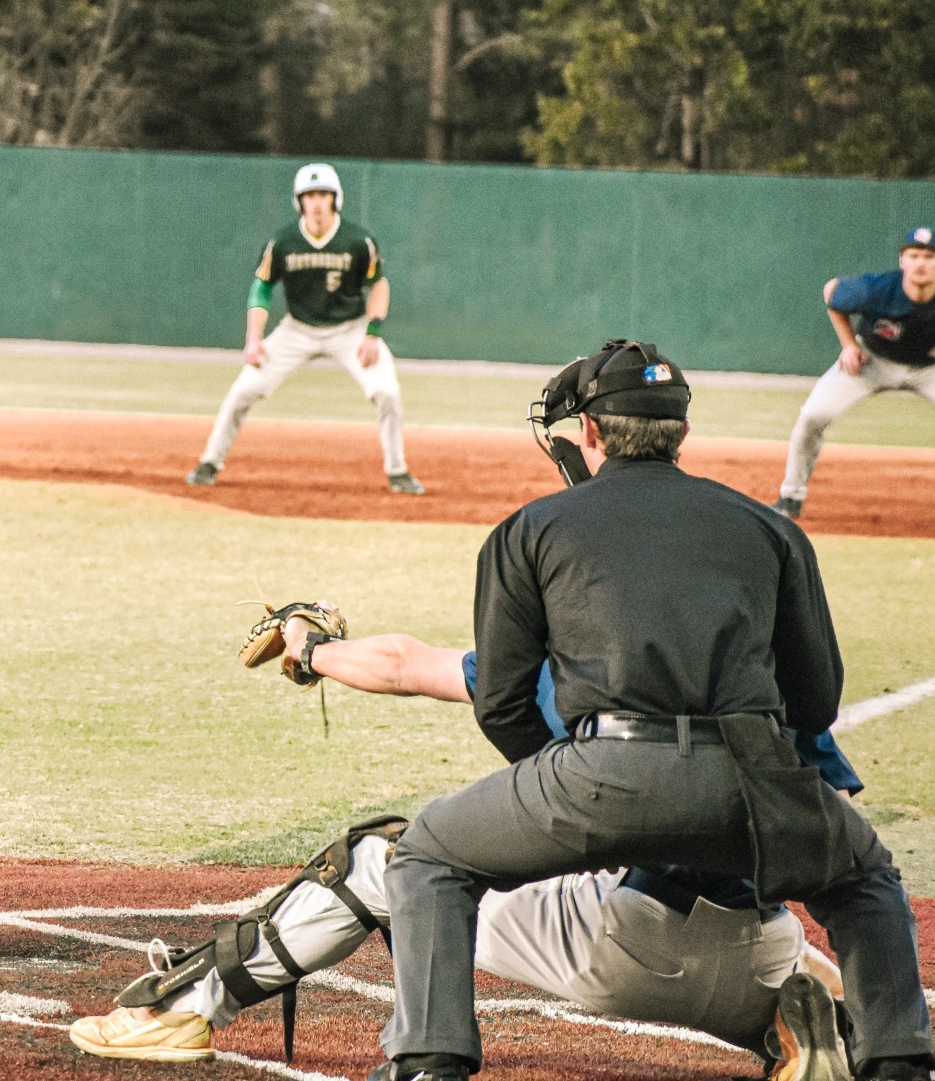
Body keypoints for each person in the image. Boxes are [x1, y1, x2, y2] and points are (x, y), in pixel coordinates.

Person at [371, 341, 931, 1081]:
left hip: (599, 774)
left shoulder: (531, 529)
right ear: (683, 432)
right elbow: (817, 700)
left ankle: (429, 1064)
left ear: (592, 434)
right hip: (754, 783)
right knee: (864, 878)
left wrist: (573, 791)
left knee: (427, 855)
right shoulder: (770, 528)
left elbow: (504, 702)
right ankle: (898, 1064)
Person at [69, 619, 860, 1080]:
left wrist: (313, 649)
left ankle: (177, 1009)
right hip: (756, 941)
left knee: (383, 857)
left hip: (624, 943)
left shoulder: (591, 667)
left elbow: (406, 664)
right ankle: (806, 1028)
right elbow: (838, 838)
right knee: (798, 961)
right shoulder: (777, 680)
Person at [186, 163, 423, 495]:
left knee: (387, 392)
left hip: (350, 329)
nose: (316, 202)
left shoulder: (357, 240)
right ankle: (209, 462)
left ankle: (397, 471)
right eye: (309, 195)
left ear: (335, 199)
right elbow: (261, 288)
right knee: (243, 390)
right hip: (296, 329)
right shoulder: (284, 241)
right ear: (299, 201)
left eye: (323, 194)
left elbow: (379, 285)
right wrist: (254, 338)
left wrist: (372, 333)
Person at [775, 227, 935, 518]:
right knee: (812, 415)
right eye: (913, 255)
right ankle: (790, 498)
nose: (921, 263)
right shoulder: (878, 289)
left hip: (928, 369)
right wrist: (849, 345)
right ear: (902, 261)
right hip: (871, 362)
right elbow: (832, 291)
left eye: (929, 256)